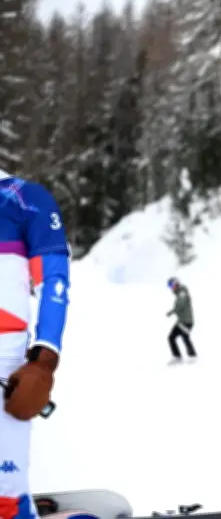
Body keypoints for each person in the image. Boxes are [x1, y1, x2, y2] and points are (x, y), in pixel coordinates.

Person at [0, 170, 70, 519]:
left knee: (5, 501)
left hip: (4, 363)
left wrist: (44, 359)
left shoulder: (23, 199)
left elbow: (53, 281)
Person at [165, 277, 197, 364]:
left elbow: (180, 305)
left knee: (184, 337)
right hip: (181, 321)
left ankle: (192, 356)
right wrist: (172, 311)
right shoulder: (179, 293)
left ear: (176, 283)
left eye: (172, 285)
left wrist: (172, 311)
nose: (171, 287)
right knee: (171, 337)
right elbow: (179, 306)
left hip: (187, 321)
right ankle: (177, 357)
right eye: (169, 286)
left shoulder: (182, 292)